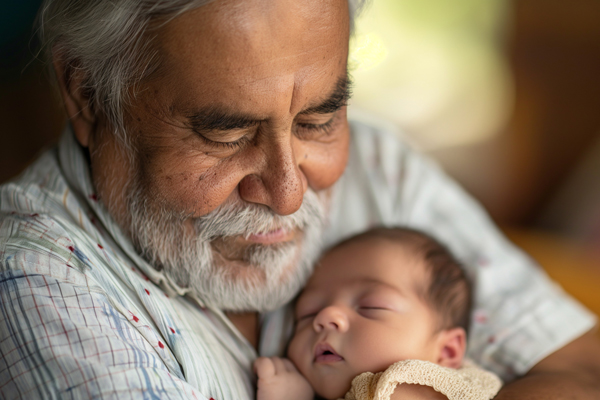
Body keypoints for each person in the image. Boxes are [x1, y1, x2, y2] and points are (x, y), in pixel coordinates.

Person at [0, 0, 599, 399]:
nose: (288, 196)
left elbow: (582, 367)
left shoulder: (376, 168)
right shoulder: (37, 282)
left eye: (318, 119)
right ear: (86, 93)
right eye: (226, 132)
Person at [255, 227, 502, 400]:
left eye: (370, 307)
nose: (327, 316)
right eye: (308, 313)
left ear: (446, 351)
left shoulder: (413, 389)